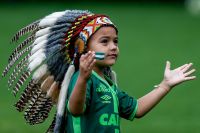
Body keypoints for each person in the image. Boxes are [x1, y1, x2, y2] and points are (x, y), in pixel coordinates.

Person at [2, 9, 196, 133]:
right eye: (104, 42)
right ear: (84, 48)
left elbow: (136, 109)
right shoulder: (82, 79)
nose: (113, 47)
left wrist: (165, 85)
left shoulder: (109, 85)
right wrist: (83, 79)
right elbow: (75, 109)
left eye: (115, 41)